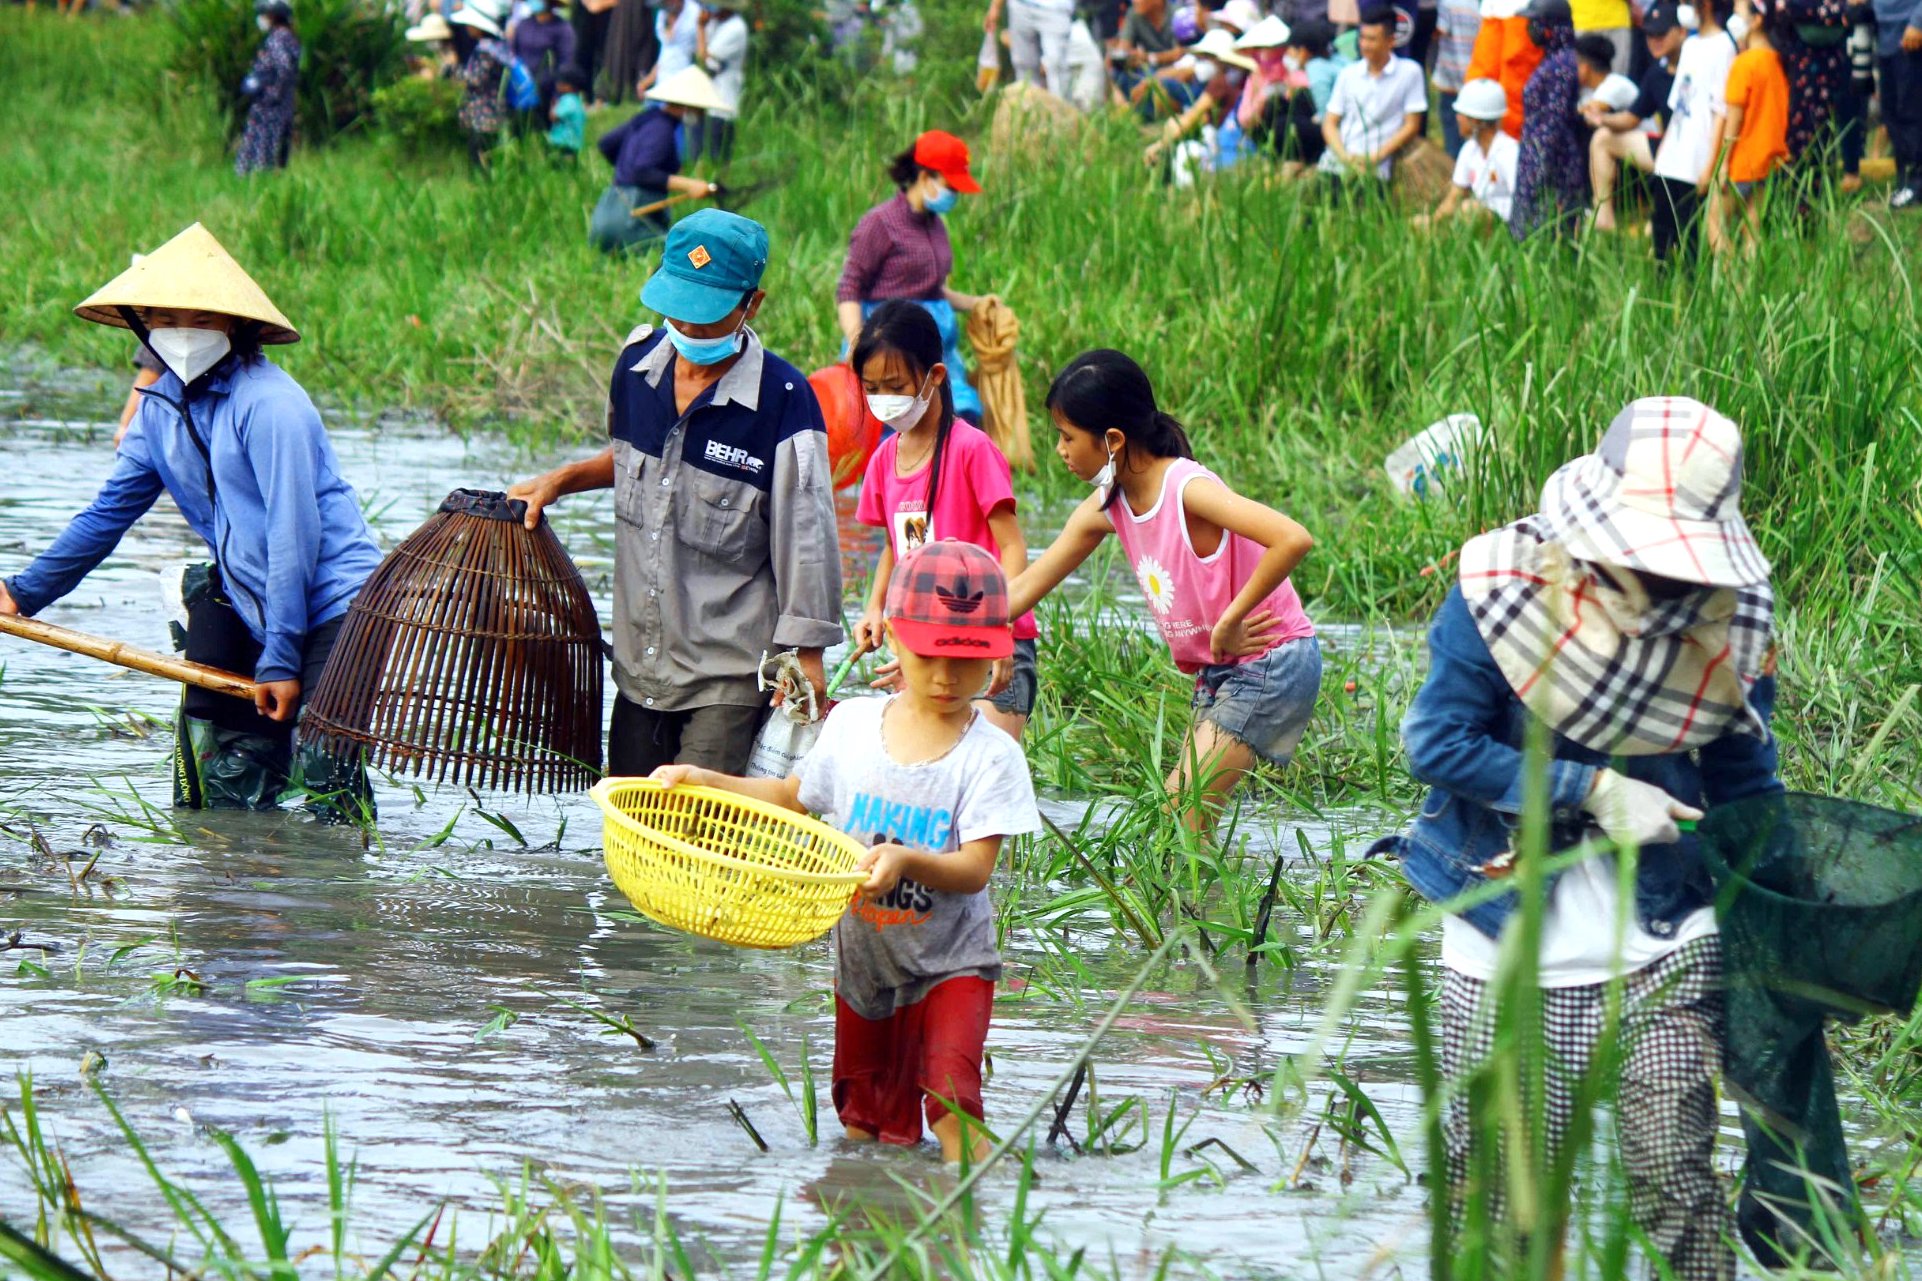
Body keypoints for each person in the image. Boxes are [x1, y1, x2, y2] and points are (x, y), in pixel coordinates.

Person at [1386, 396, 1777, 1281]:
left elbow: (1751, 784)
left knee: (1673, 1178)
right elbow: (1436, 743)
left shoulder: (1735, 625)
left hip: (1665, 933)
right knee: (1505, 1207)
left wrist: (1783, 936)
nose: (1659, 584)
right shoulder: (1501, 596)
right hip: (1504, 934)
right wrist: (1591, 789)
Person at [651, 540, 1040, 1165]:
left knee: (953, 1104)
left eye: (966, 661)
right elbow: (791, 797)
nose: (946, 677)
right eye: (929, 655)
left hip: (952, 965)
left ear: (994, 659)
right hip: (865, 966)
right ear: (892, 640)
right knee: (868, 1126)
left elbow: (973, 872)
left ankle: (967, 1240)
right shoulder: (853, 725)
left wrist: (907, 861)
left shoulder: (991, 755)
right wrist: (705, 779)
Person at [0, 224, 382, 821]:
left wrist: (280, 658)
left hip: (336, 607)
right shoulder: (159, 414)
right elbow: (106, 516)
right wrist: (21, 593)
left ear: (235, 326)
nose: (182, 334)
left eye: (201, 320)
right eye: (165, 319)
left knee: (323, 775)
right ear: (142, 326)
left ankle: (331, 899)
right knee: (227, 770)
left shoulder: (271, 406)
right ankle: (231, 895)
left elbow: (292, 539)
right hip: (251, 598)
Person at [508, 210, 843, 777]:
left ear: (751, 305)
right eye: (676, 313)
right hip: (641, 666)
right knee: (631, 824)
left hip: (728, 674)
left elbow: (805, 538)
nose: (686, 331)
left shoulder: (785, 401)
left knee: (696, 826)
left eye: (706, 320)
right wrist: (562, 480)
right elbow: (639, 465)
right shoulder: (636, 367)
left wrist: (807, 657)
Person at [1007, 351, 1320, 835]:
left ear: (1112, 440)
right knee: (1189, 820)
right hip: (1221, 667)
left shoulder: (1186, 489)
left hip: (1271, 660)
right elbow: (1023, 590)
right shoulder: (1108, 504)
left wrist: (1232, 619)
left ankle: (1186, 909)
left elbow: (1292, 537)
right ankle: (1201, 907)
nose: (1060, 450)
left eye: (1068, 437)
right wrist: (933, 633)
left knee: (1180, 811)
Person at [850, 303, 1038, 743]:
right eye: (872, 387)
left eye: (895, 386)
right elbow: (895, 549)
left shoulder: (973, 449)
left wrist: (999, 625)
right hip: (926, 646)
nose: (883, 398)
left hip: (987, 644)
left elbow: (1012, 548)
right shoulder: (883, 459)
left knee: (983, 780)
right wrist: (875, 607)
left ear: (934, 375)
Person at [835, 133, 994, 427]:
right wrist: (858, 339)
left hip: (935, 344)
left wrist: (976, 303)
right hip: (892, 341)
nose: (954, 197)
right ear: (925, 177)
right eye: (950, 187)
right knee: (898, 417)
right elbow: (849, 287)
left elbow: (932, 289)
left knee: (957, 415)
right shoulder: (881, 223)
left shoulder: (935, 226)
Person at [587, 66, 727, 253]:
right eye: (700, 110)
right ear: (688, 107)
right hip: (631, 218)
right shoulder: (661, 130)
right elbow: (641, 172)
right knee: (683, 254)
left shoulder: (647, 119)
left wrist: (623, 171)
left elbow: (606, 144)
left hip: (608, 211)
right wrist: (688, 184)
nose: (701, 116)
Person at [1651, 0, 1738, 257]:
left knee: (1690, 239)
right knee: (1663, 235)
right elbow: (1677, 104)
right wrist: (1664, 152)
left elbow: (1721, 111)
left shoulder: (1724, 46)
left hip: (1696, 160)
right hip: (1672, 158)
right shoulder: (1689, 44)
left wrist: (1710, 166)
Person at [1586, 0, 1682, 230]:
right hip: (1665, 147)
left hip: (1691, 154)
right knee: (1602, 138)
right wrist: (1603, 120)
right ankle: (1604, 219)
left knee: (1659, 231)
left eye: (1661, 34)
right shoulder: (1656, 73)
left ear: (1681, 32)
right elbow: (1631, 118)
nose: (1654, 41)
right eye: (1650, 35)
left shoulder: (1696, 65)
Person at [1706, 0, 1790, 249]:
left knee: (1715, 222)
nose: (1733, 18)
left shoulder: (1744, 64)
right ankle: (1751, 286)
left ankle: (1729, 282)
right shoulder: (1776, 61)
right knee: (1752, 230)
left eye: (1737, 12)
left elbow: (1733, 119)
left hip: (1741, 162)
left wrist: (1722, 164)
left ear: (1757, 20)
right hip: (1770, 161)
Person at [1318, 7, 1429, 191]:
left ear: (1390, 41)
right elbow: (1330, 122)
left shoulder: (1410, 72)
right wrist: (1344, 156)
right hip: (1337, 163)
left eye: (1372, 39)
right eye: (1362, 38)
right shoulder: (1348, 74)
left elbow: (1412, 125)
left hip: (1378, 168)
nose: (1365, 45)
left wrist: (1376, 157)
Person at [1510, 0, 1590, 236]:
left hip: (1553, 161)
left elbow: (1552, 123)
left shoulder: (1561, 65)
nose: (1531, 29)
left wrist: (1537, 170)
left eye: (1535, 23)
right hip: (1542, 154)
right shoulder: (1556, 59)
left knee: (1544, 232)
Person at [1415, 77, 1521, 223]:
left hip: (1505, 224)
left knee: (1469, 209)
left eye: (1461, 114)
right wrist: (1433, 222)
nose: (1457, 118)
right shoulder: (1469, 149)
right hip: (1478, 217)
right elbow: (1455, 196)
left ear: (1476, 120)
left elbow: (1522, 200)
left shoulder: (1509, 153)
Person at [235, 0, 300, 177]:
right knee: (276, 142)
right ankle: (267, 174)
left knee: (261, 140)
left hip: (270, 103)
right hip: (283, 102)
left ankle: (255, 175)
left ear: (272, 16)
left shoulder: (278, 38)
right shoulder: (289, 37)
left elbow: (284, 67)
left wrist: (273, 93)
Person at [1466, 0, 1545, 138]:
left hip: (1524, 14)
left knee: (1516, 90)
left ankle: (1513, 150)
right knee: (1480, 87)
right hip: (1494, 11)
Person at [450, 0, 512, 163]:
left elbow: (476, 79)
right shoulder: (499, 47)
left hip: (484, 114)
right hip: (495, 110)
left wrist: (453, 72)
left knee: (480, 154)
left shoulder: (485, 51)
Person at [1874, 0, 1922, 207]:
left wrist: (1919, 22)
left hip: (1912, 34)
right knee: (1891, 114)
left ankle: (1917, 184)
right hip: (1885, 38)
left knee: (1911, 112)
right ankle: (1904, 182)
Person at [690, 0, 746, 162]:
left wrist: (700, 27)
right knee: (697, 157)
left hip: (722, 103)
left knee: (717, 159)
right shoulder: (715, 23)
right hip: (705, 102)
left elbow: (704, 60)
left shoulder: (735, 28)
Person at [986, 0, 1076, 96]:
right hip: (1020, 6)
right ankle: (1028, 107)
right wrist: (995, 6)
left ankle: (1061, 108)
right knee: (1023, 66)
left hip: (1056, 8)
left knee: (1057, 66)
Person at [1436, 0, 1488, 154]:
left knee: (1453, 140)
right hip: (1479, 84)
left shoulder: (1448, 3)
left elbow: (1438, 30)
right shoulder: (1486, 6)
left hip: (1451, 83)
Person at [509, 0, 576, 105]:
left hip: (546, 91)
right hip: (521, 88)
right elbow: (513, 54)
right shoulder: (523, 25)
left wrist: (558, 95)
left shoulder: (562, 28)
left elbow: (566, 61)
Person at [637, 0, 703, 97]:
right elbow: (666, 53)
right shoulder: (663, 12)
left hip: (683, 89)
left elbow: (702, 56)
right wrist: (647, 81)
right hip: (661, 86)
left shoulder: (697, 15)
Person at [545, 63, 588, 155]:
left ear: (570, 86)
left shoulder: (568, 100)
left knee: (560, 164)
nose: (557, 84)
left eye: (560, 82)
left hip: (563, 141)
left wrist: (552, 106)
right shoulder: (577, 101)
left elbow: (554, 117)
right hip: (574, 141)